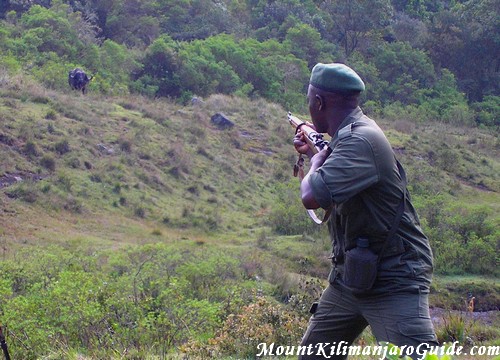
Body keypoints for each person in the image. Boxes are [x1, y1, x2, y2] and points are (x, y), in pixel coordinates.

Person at [293, 63, 438, 359]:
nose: (309, 107)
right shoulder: (348, 136)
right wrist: (315, 153)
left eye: (310, 99)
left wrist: (316, 160)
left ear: (319, 102)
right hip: (351, 276)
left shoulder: (360, 140)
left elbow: (310, 196)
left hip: (394, 276)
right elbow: (334, 183)